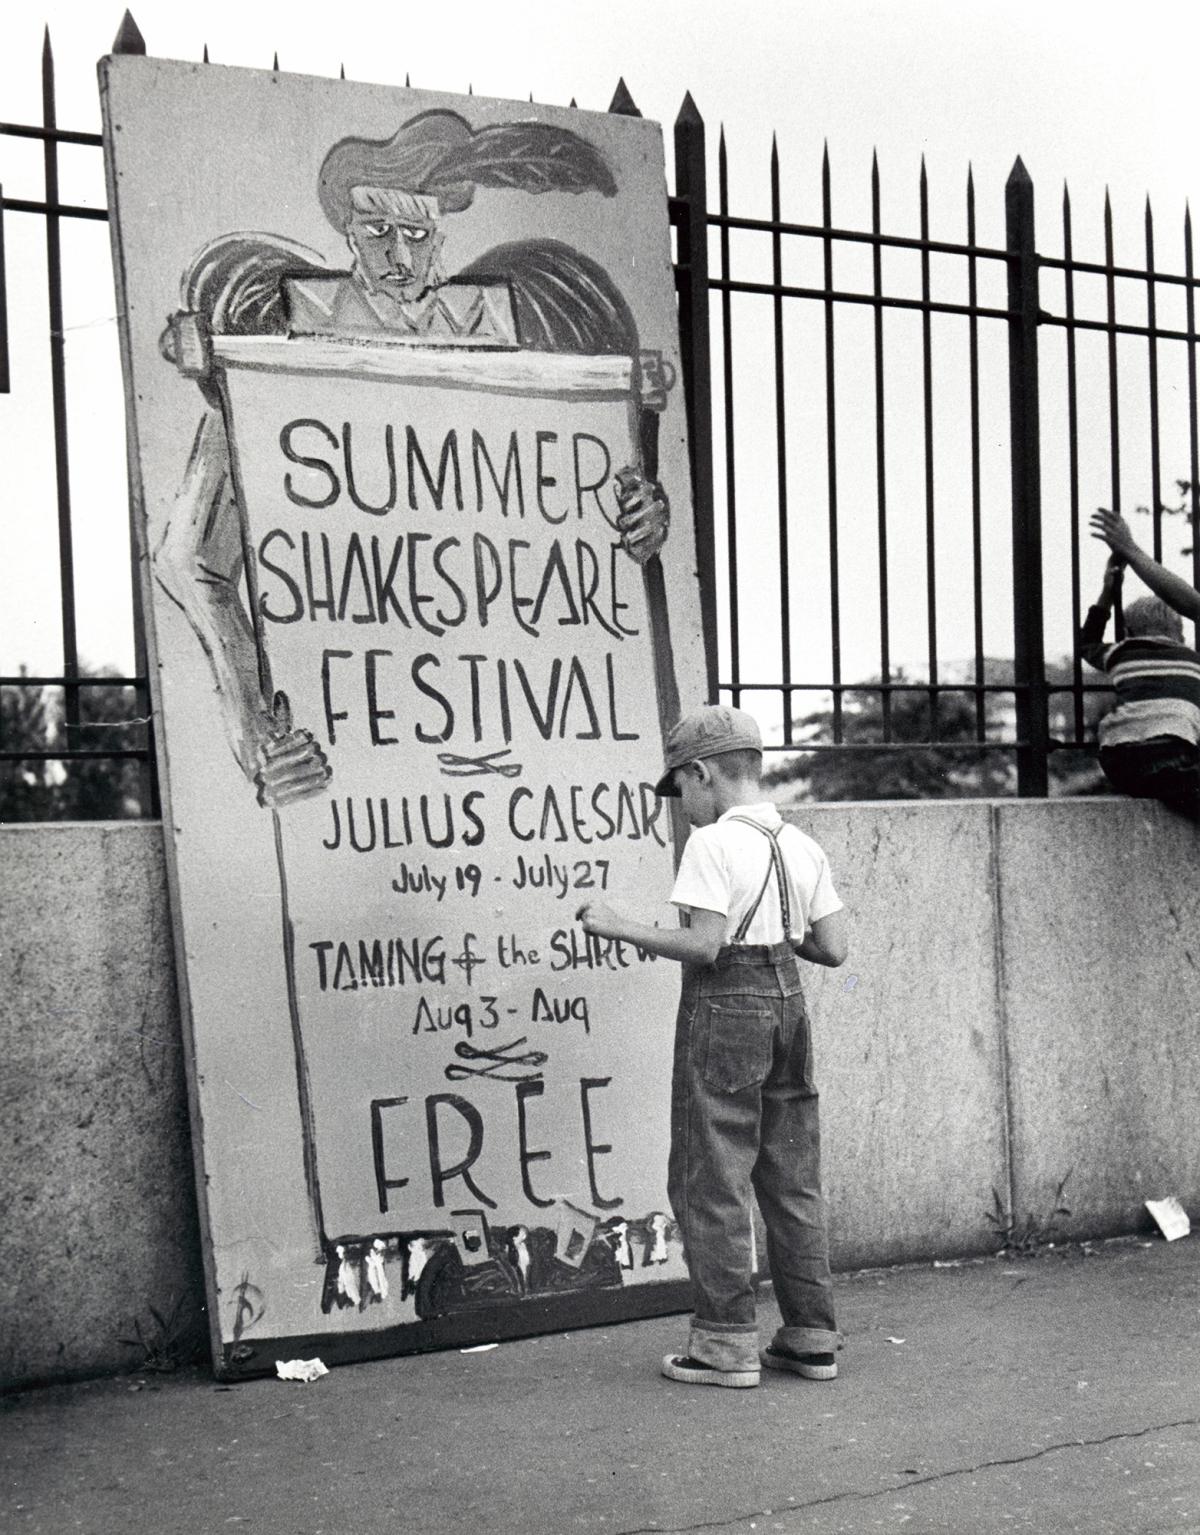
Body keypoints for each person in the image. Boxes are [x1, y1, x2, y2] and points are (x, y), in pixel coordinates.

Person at [156, 109, 671, 809]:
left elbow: (576, 515)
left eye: (418, 235)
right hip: (365, 789)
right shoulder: (277, 350)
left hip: (505, 767)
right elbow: (189, 556)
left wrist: (642, 515)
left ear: (442, 236)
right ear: (347, 233)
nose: (400, 258)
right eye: (377, 233)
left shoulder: (518, 336)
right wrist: (260, 738)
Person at [576, 704, 848, 1389]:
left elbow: (703, 943)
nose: (683, 807)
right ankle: (811, 1335)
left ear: (702, 773)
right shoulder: (800, 844)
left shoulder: (714, 844)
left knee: (712, 1173)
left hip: (725, 1004)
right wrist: (782, 937)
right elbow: (834, 947)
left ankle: (726, 1343)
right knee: (791, 1175)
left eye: (682, 790)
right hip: (789, 1002)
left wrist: (618, 926)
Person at [1084, 509, 1200, 817]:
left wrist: (1108, 592)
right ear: (1181, 633)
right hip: (1174, 755)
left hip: (1117, 759)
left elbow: (1087, 644)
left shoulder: (1121, 653)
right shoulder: (1193, 662)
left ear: (1128, 633)